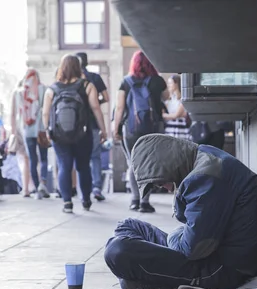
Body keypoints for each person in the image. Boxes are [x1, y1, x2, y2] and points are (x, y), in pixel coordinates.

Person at [104, 134, 257, 289]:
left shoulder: (205, 178)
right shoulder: (203, 157)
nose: (164, 188)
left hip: (222, 269)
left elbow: (192, 249)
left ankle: (153, 278)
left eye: (160, 182)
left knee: (116, 251)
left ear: (168, 164)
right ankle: (147, 275)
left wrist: (174, 236)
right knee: (127, 225)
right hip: (212, 253)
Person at [42, 54, 107, 213]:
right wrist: (103, 129)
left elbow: (45, 113)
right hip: (83, 133)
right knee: (83, 167)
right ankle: (85, 200)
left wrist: (47, 131)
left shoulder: (52, 89)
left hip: (59, 135)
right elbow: (96, 108)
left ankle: (67, 203)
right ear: (78, 67)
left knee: (64, 166)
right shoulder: (87, 86)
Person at [113, 50, 168, 213]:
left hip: (131, 129)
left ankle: (134, 200)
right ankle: (145, 202)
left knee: (133, 163)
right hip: (153, 128)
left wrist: (116, 128)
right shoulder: (158, 81)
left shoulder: (126, 82)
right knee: (149, 164)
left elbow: (120, 108)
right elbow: (166, 97)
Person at [76, 52, 109, 202]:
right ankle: (96, 187)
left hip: (75, 124)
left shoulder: (72, 80)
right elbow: (106, 98)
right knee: (95, 156)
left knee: (80, 157)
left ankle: (82, 189)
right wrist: (94, 101)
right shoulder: (94, 78)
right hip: (93, 122)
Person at [18, 68, 50, 200]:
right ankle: (43, 183)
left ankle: (36, 189)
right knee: (43, 158)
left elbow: (19, 112)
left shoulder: (21, 92)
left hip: (27, 129)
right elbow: (46, 109)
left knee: (32, 159)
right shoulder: (43, 89)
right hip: (41, 129)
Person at [11, 80, 33, 197]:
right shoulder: (35, 92)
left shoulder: (16, 93)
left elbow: (12, 114)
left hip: (20, 128)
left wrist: (13, 132)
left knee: (24, 159)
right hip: (33, 128)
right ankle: (36, 185)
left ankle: (26, 188)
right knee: (34, 159)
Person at [163, 74, 191, 141]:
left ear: (176, 83)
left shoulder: (182, 100)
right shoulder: (168, 101)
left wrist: (166, 115)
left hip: (181, 131)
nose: (168, 85)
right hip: (170, 131)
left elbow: (176, 115)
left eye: (170, 83)